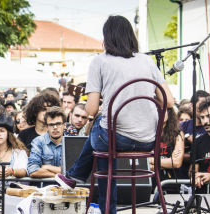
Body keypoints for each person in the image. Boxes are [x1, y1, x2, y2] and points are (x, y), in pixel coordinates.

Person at [54, 15, 174, 214]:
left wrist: (102, 104)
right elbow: (168, 101)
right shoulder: (146, 60)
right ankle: (73, 176)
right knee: (104, 132)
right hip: (148, 141)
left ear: (107, 37)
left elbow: (90, 110)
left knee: (101, 126)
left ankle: (78, 179)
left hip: (117, 140)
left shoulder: (99, 62)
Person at [149, 108, 185, 189]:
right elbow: (143, 164)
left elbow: (176, 162)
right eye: (157, 110)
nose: (160, 113)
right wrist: (167, 163)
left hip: (170, 182)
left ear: (169, 112)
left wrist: (152, 160)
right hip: (150, 182)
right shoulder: (146, 133)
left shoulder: (177, 133)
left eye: (163, 110)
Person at [27, 106, 66, 178]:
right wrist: (59, 176)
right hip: (44, 187)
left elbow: (73, 172)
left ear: (64, 125)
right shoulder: (38, 142)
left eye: (58, 124)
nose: (55, 127)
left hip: (66, 187)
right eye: (51, 124)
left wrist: (47, 167)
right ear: (47, 127)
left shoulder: (70, 142)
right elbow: (32, 170)